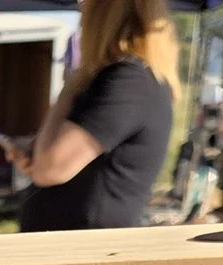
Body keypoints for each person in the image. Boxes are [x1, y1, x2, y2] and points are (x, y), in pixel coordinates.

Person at [20, 0, 180, 233]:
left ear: (103, 15)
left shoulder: (128, 82)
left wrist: (73, 83)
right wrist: (34, 154)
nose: (81, 12)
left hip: (84, 253)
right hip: (80, 249)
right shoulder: (134, 81)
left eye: (86, 4)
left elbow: (50, 168)